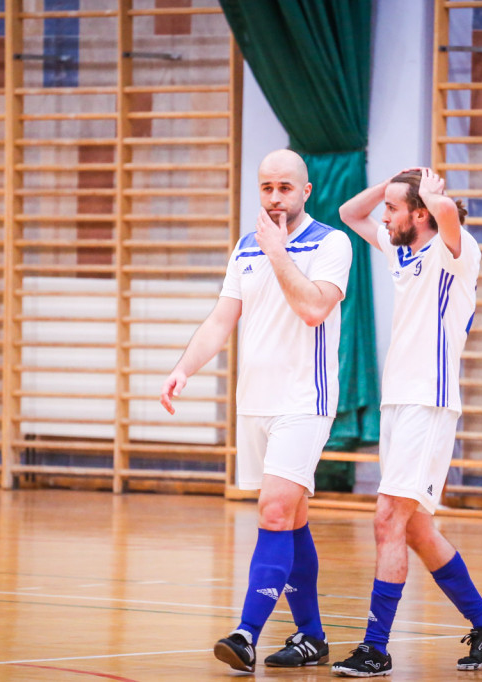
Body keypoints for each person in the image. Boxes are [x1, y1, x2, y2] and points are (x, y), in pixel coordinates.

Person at [160, 149, 352, 673]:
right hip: (256, 405)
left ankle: (245, 634)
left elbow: (314, 309)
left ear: (305, 192)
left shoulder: (332, 243)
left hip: (304, 402)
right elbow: (221, 322)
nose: (274, 198)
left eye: (285, 188)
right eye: (266, 188)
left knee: (271, 511)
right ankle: (312, 636)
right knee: (290, 519)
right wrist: (184, 368)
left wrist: (280, 253)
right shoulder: (246, 248)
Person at [331, 168, 482, 676]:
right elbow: (350, 214)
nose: (384, 216)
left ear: (421, 214)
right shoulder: (401, 253)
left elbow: (449, 219)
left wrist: (434, 197)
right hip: (398, 405)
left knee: (387, 519)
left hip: (428, 405)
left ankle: (375, 649)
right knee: (415, 529)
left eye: (394, 208)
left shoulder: (458, 253)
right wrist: (392, 182)